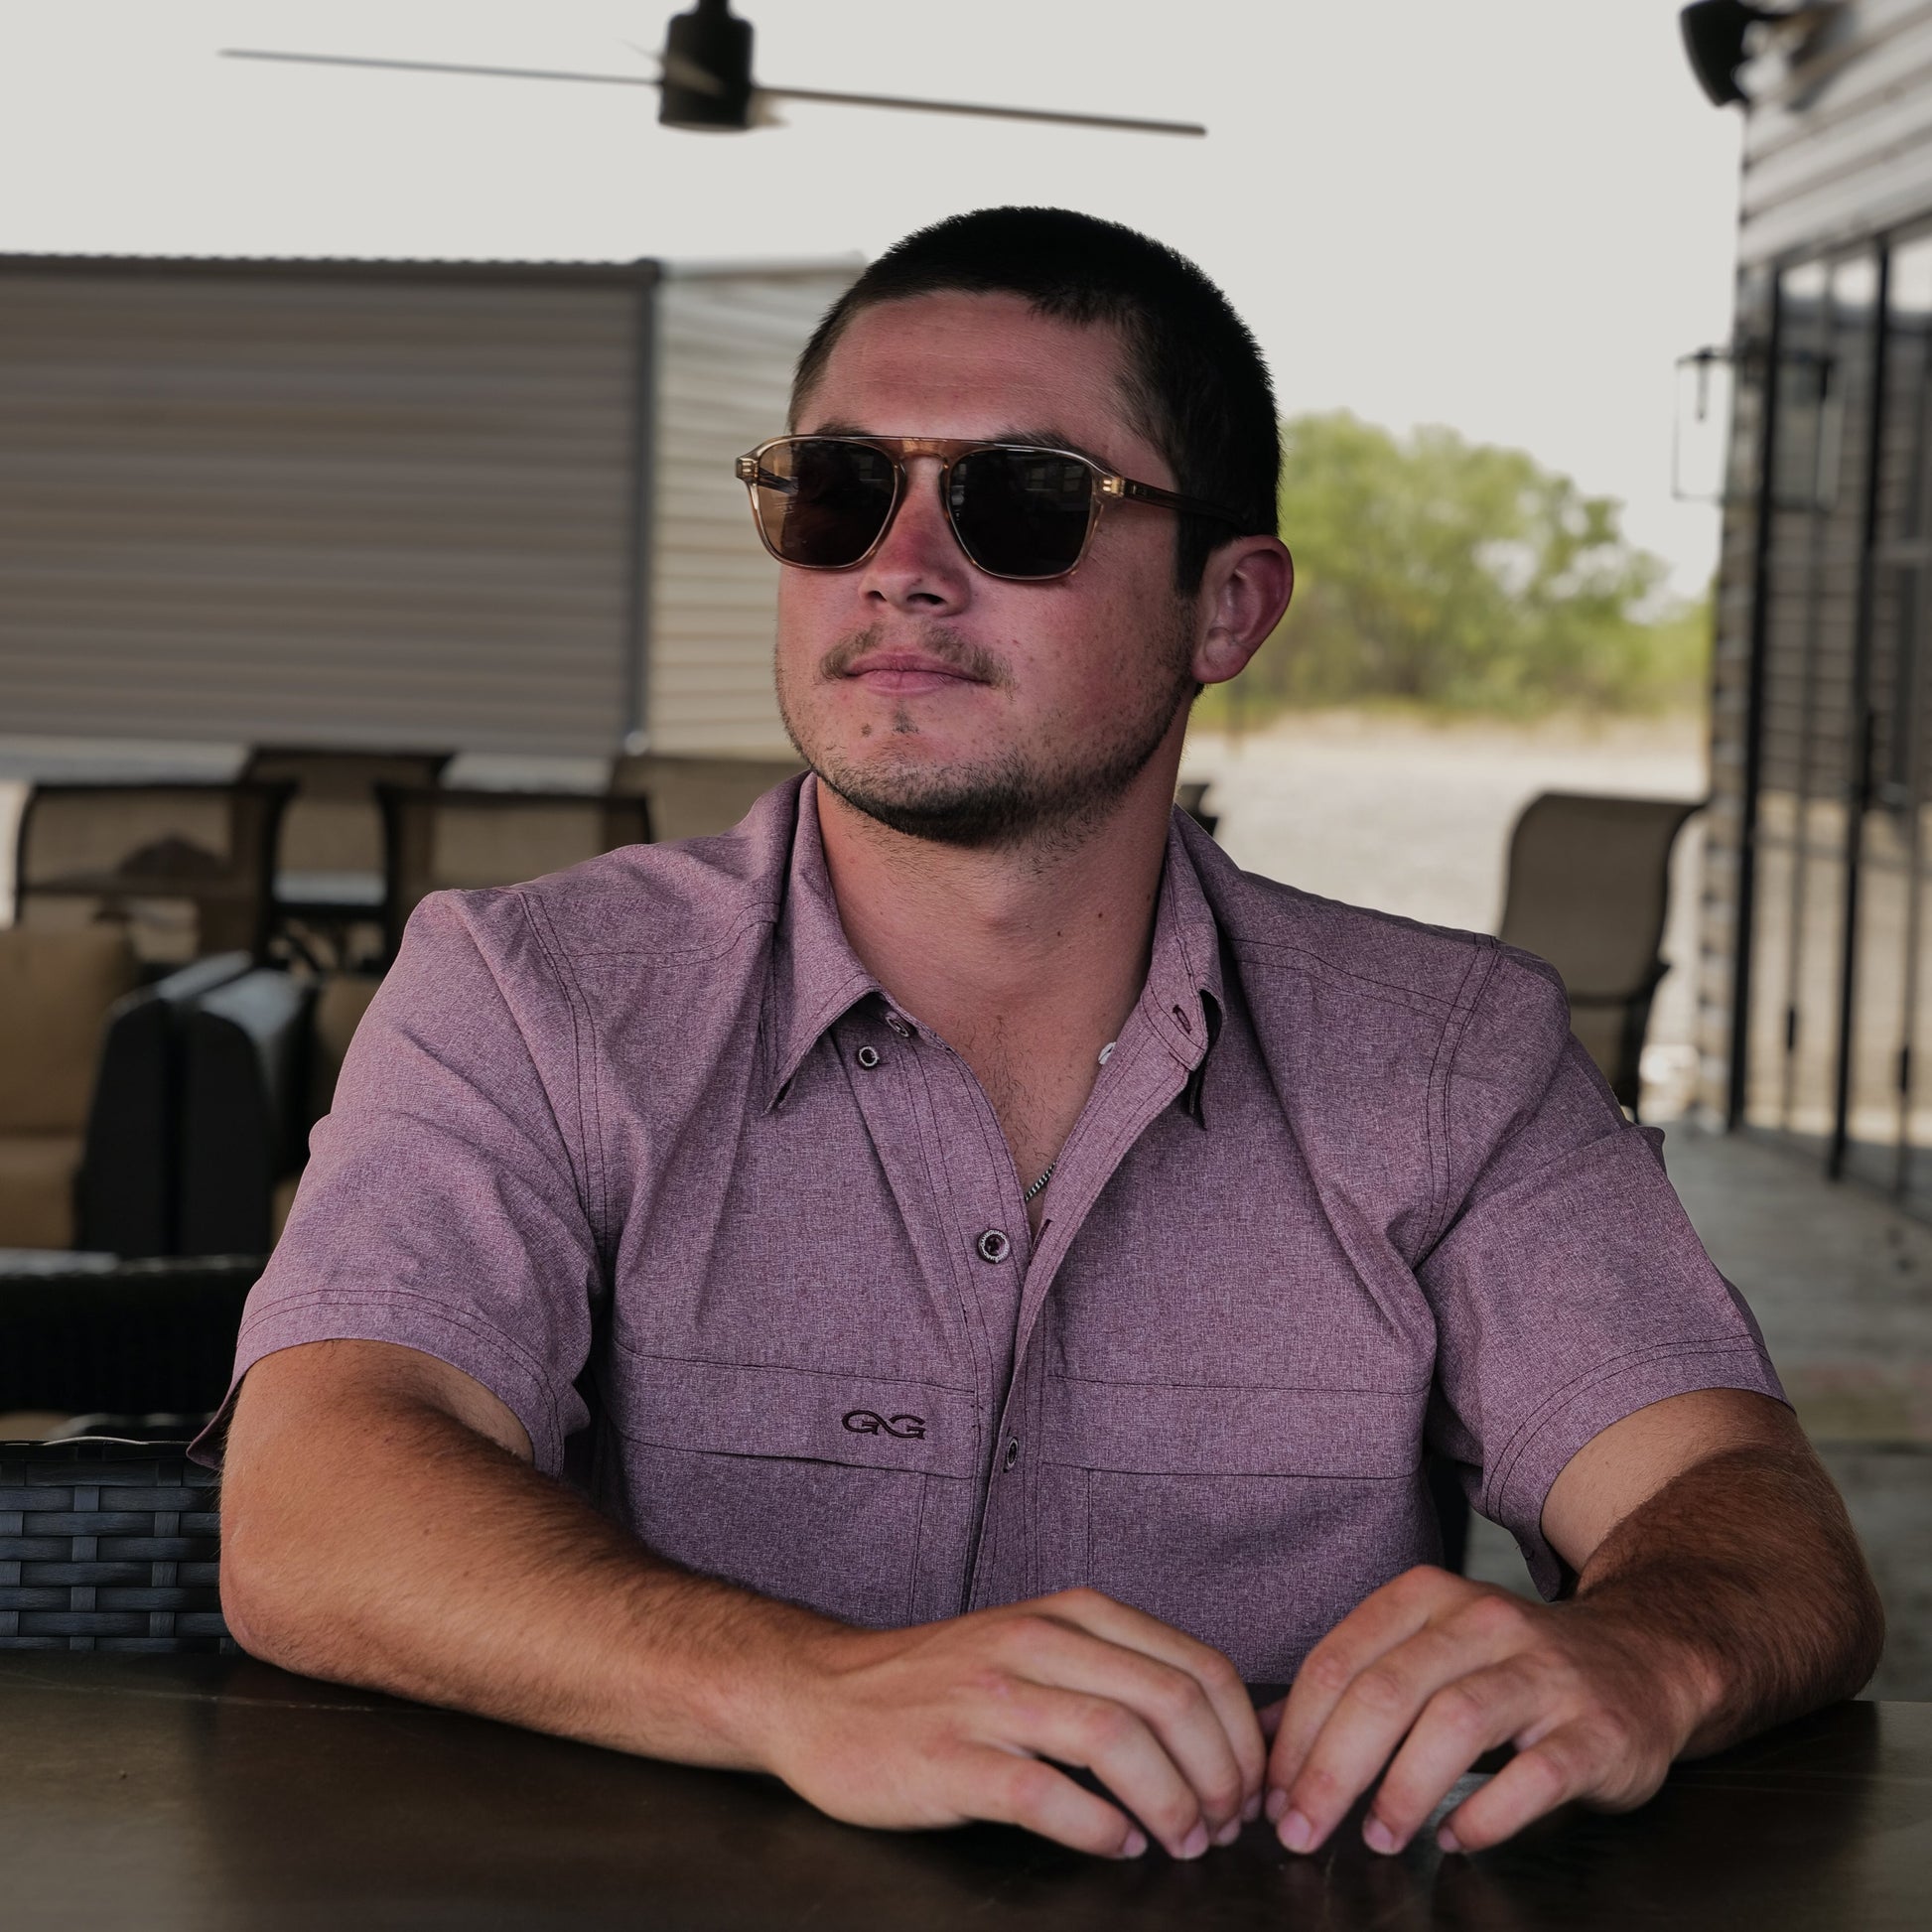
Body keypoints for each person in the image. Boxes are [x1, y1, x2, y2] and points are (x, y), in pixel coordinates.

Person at [210, 207, 1881, 1866]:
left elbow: (1741, 1510)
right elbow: (310, 1504)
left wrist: (1641, 1651)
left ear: (1227, 608)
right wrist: (800, 1686)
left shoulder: (1449, 1057)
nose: (898, 565)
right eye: (836, 489)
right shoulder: (533, 992)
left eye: (1021, 501)